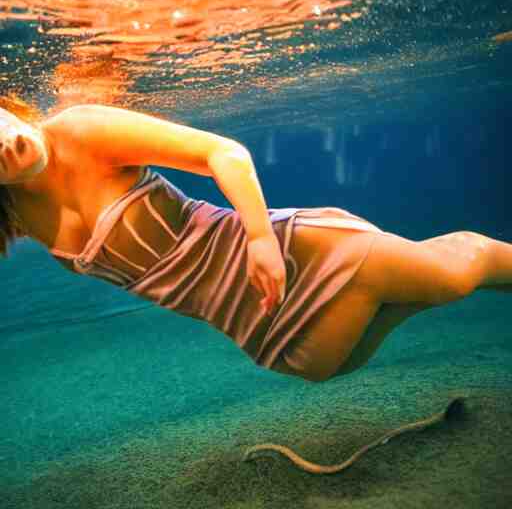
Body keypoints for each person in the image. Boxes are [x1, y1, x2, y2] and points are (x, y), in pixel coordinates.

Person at [1, 96, 511, 383]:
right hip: (258, 327)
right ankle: (420, 267)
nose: (2, 145)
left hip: (291, 255)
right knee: (325, 366)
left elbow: (223, 152)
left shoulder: (81, 129)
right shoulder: (20, 211)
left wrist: (261, 239)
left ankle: (460, 259)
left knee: (453, 275)